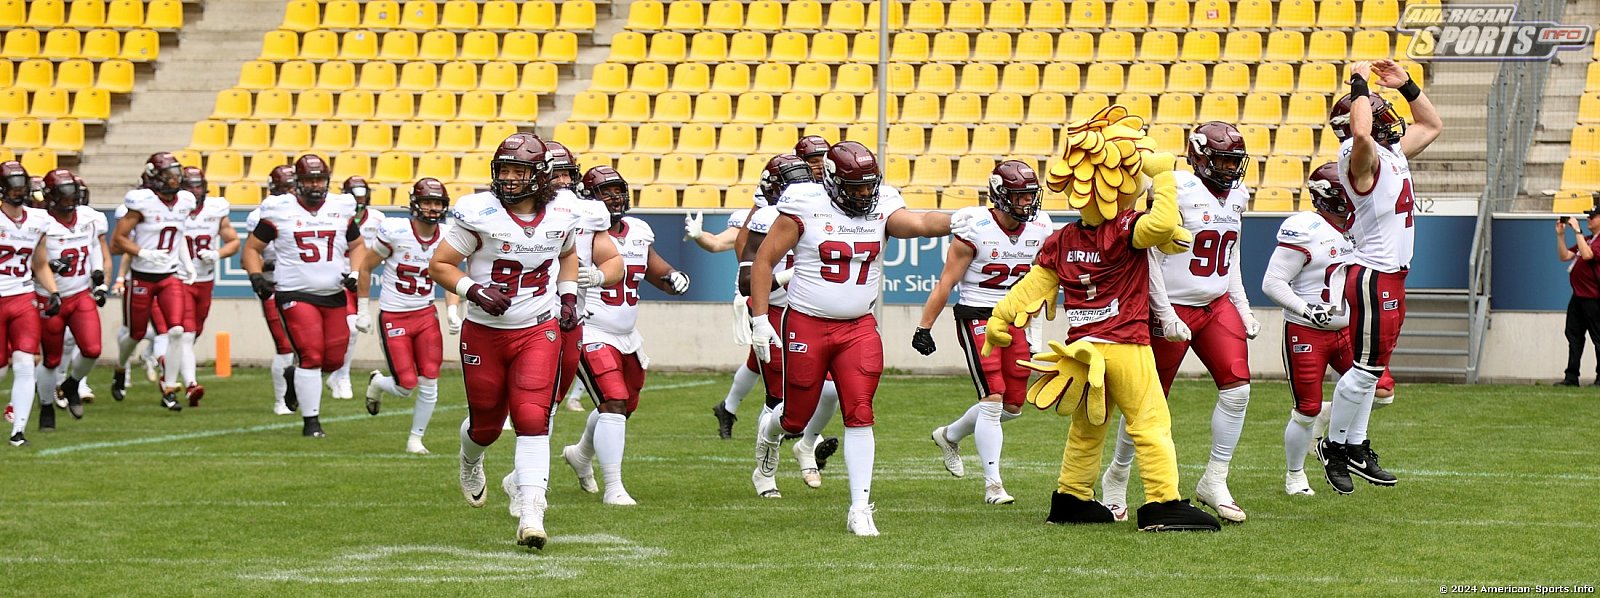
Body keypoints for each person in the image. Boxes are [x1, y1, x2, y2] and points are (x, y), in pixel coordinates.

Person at [748, 141, 955, 536]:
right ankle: (769, 435)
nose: (863, 193)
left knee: (860, 411)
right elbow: (764, 261)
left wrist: (960, 220)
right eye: (855, 186)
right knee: (795, 417)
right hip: (807, 322)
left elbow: (919, 224)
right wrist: (760, 320)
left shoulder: (883, 204)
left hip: (858, 326)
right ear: (832, 182)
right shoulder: (804, 204)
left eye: (868, 186)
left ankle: (860, 508)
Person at [428, 132, 618, 549]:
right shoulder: (481, 213)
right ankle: (471, 458)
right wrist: (474, 290)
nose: (509, 179)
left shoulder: (564, 211)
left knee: (533, 418)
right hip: (485, 332)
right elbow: (440, 264)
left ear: (542, 175)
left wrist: (567, 295)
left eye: (519, 171)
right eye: (505, 170)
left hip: (537, 328)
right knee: (486, 425)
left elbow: (567, 254)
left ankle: (532, 513)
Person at [1100, 121, 1257, 524]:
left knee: (1238, 389)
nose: (1230, 168)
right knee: (1147, 402)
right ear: (1200, 157)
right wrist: (1164, 312)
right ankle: (1117, 473)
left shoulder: (1238, 194)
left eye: (1234, 161)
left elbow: (1231, 255)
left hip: (1215, 304)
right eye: (1223, 160)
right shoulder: (1176, 188)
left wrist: (1241, 304)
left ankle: (1215, 480)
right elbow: (1149, 255)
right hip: (1170, 304)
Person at [1320, 59, 1442, 494]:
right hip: (1374, 275)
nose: (1390, 121)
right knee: (1365, 369)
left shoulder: (1390, 153)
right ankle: (1334, 447)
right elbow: (1360, 136)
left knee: (1372, 371)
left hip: (1391, 276)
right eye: (1379, 114)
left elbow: (1432, 125)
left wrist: (1407, 86)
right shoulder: (1359, 158)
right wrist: (1358, 84)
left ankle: (1355, 445)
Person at [915, 161, 1053, 506]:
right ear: (1001, 196)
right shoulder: (975, 227)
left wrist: (1034, 329)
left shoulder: (1040, 226)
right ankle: (994, 485)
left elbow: (1040, 283)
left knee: (1013, 405)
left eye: (1030, 195)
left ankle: (950, 434)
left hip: (1014, 317)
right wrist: (924, 327)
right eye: (1019, 196)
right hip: (976, 314)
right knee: (992, 398)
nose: (1027, 203)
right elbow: (946, 282)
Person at [559, 165, 691, 506]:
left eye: (618, 191)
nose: (614, 198)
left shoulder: (639, 231)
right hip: (590, 327)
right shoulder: (580, 231)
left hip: (627, 334)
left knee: (623, 407)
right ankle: (614, 488)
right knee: (613, 402)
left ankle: (580, 454)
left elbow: (656, 271)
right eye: (605, 192)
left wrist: (674, 278)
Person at [1264, 163, 1398, 496]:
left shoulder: (1363, 226)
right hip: (1307, 331)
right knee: (1305, 411)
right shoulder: (1305, 228)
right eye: (1344, 193)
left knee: (1382, 391)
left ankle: (1335, 420)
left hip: (1349, 330)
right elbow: (1272, 282)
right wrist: (1306, 309)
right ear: (1326, 197)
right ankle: (1295, 475)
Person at [735, 154, 840, 492]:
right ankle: (765, 471)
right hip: (775, 312)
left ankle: (807, 445)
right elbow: (747, 282)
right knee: (778, 396)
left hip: (809, 313)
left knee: (829, 390)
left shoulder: (823, 212)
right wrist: (789, 275)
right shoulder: (768, 217)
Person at [242, 154, 366, 437]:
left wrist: (355, 271)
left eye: (319, 179)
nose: (315, 185)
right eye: (309, 179)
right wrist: (256, 276)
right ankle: (312, 423)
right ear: (297, 182)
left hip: (333, 291)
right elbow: (251, 248)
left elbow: (358, 244)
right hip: (294, 292)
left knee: (334, 361)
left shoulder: (340, 206)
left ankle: (293, 375)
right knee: (311, 355)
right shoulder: (278, 210)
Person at [358, 178, 458, 454]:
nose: (433, 208)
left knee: (430, 380)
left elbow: (452, 276)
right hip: (395, 314)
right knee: (406, 386)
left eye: (437, 203)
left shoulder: (447, 235)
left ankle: (416, 439)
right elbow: (365, 267)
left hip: (425, 314)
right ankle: (377, 383)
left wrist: (451, 308)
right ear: (415, 203)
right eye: (427, 202)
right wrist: (362, 309)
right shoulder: (396, 232)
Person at [111, 152, 197, 411]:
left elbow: (178, 235)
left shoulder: (185, 201)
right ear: (155, 177)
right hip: (141, 277)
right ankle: (120, 366)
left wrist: (187, 263)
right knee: (135, 334)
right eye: (168, 175)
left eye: (176, 174)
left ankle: (169, 387)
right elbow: (118, 240)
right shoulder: (142, 202)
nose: (174, 179)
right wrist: (143, 252)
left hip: (169, 275)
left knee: (177, 330)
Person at [35, 169, 109, 425]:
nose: (69, 199)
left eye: (71, 193)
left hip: (79, 294)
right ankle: (46, 408)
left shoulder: (89, 217)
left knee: (92, 349)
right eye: (63, 194)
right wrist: (50, 265)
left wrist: (98, 273)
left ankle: (71, 384)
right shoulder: (39, 220)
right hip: (50, 297)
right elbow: (29, 260)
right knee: (52, 359)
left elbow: (94, 245)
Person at [0, 160, 62, 446]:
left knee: (26, 361)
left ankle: (18, 431)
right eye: (12, 186)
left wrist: (53, 291)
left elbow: (39, 262)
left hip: (23, 296)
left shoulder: (38, 220)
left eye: (21, 185)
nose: (18, 191)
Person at [177, 166, 239, 407]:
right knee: (186, 332)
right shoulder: (174, 209)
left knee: (195, 331)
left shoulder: (216, 209)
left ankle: (167, 365)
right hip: (180, 278)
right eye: (190, 186)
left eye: (198, 186)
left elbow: (233, 241)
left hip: (205, 279)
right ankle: (191, 384)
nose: (194, 191)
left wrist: (216, 254)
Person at [327, 176, 384, 401]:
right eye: (354, 196)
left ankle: (341, 374)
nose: (359, 201)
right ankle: (338, 374)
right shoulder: (335, 215)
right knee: (345, 330)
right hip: (336, 277)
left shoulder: (377, 218)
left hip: (359, 280)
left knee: (352, 329)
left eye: (361, 196)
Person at [1557, 209, 1600, 386]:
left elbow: (1588, 255)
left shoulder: (1594, 241)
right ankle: (1571, 376)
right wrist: (1561, 235)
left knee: (1598, 337)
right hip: (1578, 296)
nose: (1588, 219)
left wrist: (1577, 231)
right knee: (1573, 335)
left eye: (1593, 216)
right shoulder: (1588, 239)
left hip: (1594, 297)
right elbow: (1565, 256)